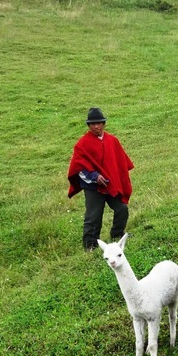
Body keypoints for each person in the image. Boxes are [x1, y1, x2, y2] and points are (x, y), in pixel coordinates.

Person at [67, 107, 134, 251]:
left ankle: (117, 235)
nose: (96, 126)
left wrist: (118, 179)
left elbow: (120, 163)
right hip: (93, 188)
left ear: (104, 124)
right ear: (88, 125)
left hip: (111, 185)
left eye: (99, 123)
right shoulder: (82, 144)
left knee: (122, 208)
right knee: (93, 217)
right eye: (92, 124)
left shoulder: (112, 140)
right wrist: (95, 176)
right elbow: (78, 167)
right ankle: (90, 246)